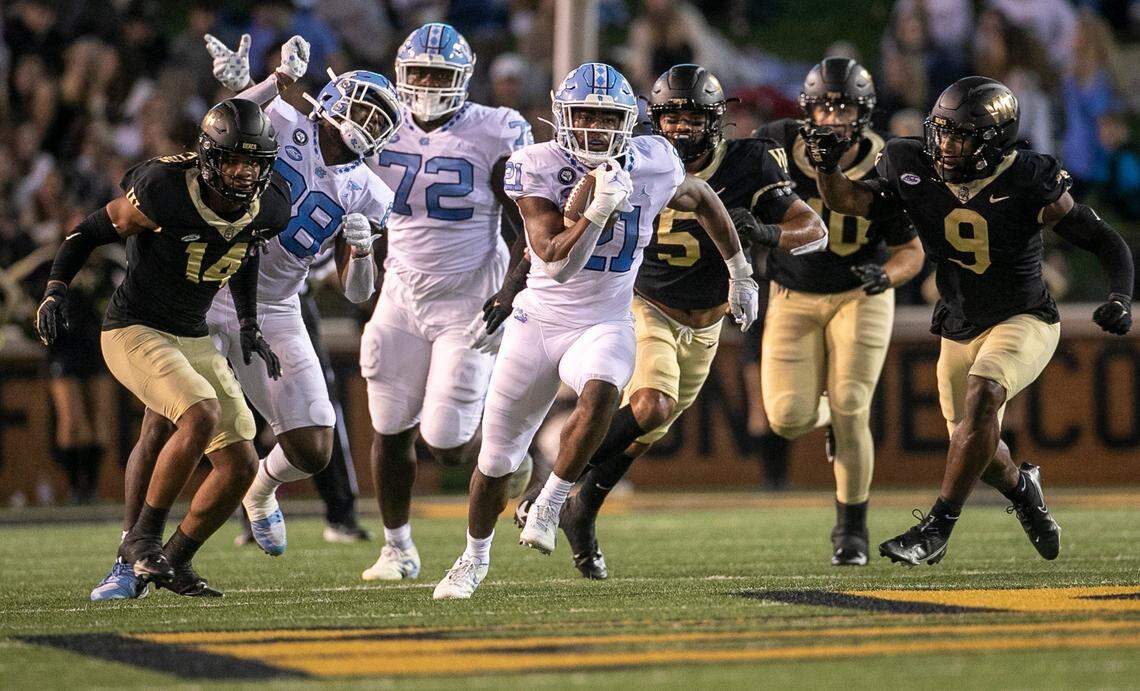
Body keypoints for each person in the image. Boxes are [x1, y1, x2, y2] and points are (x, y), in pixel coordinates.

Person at [432, 62, 825, 600]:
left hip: (607, 318)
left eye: (607, 117)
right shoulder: (535, 163)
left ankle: (553, 502)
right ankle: (473, 557)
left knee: (611, 396)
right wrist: (593, 214)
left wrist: (740, 271)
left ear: (628, 121)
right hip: (546, 319)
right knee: (497, 460)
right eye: (585, 115)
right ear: (563, 116)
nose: (595, 129)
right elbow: (551, 256)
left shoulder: (655, 160)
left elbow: (704, 200)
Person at [91, 35, 399, 598]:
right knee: (162, 423)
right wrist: (260, 81)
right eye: (360, 108)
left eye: (379, 118)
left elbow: (358, 293)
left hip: (277, 305)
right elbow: (226, 125)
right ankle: (129, 554)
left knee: (313, 447)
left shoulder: (371, 192)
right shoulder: (286, 123)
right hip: (204, 292)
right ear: (332, 100)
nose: (366, 123)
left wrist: (362, 252)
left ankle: (254, 495)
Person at [809, 76, 1133, 565]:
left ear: (992, 141)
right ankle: (1025, 490)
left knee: (985, 393)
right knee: (976, 450)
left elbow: (1104, 239)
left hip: (1024, 318)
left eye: (959, 135)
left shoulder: (1028, 178)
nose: (944, 144)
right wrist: (828, 168)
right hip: (958, 324)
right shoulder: (911, 164)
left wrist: (1120, 296)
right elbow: (848, 201)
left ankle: (935, 529)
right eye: (940, 131)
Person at [38, 97, 292, 598]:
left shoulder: (272, 205)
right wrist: (55, 288)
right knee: (197, 415)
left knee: (241, 464)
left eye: (253, 163)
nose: (243, 173)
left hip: (192, 332)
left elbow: (241, 251)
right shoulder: (164, 189)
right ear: (208, 158)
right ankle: (141, 543)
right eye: (234, 160)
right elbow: (87, 232)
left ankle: (173, 560)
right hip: (133, 327)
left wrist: (248, 321)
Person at [358, 23, 533, 583]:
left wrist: (510, 291)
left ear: (463, 77)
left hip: (469, 299)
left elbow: (523, 220)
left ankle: (511, 454)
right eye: (421, 73)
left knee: (449, 444)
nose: (429, 84)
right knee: (388, 429)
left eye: (440, 74)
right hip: (400, 294)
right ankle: (397, 547)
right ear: (401, 76)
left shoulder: (495, 129)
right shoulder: (376, 126)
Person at [753, 57, 925, 566]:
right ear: (807, 109)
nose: (833, 115)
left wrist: (886, 275)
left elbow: (912, 251)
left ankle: (851, 529)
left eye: (844, 104)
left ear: (864, 111)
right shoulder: (778, 144)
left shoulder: (886, 160)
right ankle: (828, 417)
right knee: (785, 418)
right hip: (792, 292)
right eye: (825, 105)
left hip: (860, 293)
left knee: (852, 403)